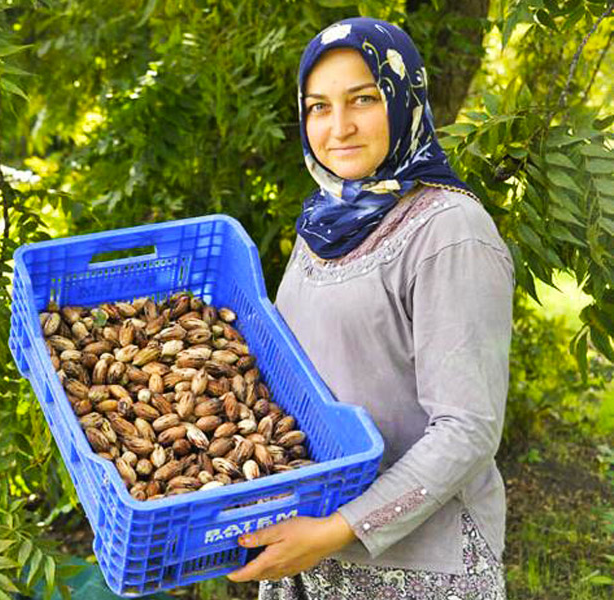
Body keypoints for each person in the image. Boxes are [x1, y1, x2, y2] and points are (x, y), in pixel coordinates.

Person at [226, 17, 512, 600]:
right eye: (319, 107)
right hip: (307, 550)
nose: (339, 128)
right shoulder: (322, 222)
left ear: (405, 100)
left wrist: (336, 531)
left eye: (364, 99)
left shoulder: (450, 231)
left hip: (418, 566)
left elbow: (468, 429)